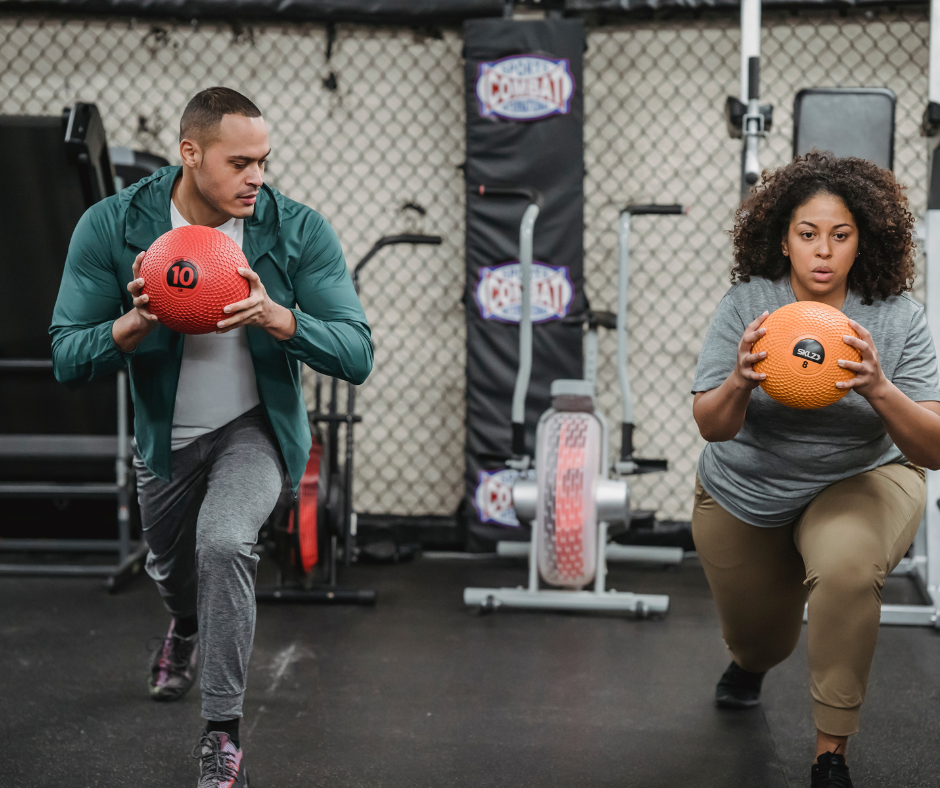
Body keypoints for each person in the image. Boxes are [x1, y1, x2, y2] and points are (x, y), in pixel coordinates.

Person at [50, 87, 373, 787]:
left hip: (255, 432)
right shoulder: (112, 227)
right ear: (190, 154)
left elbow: (357, 352)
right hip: (166, 442)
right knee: (174, 575)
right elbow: (66, 356)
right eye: (240, 162)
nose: (257, 176)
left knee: (225, 542)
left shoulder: (296, 231)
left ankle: (222, 734)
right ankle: (186, 627)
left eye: (264, 160)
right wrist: (124, 332)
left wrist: (279, 319)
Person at [690, 152, 940, 788]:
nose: (823, 252)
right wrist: (740, 382)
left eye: (840, 234)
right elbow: (712, 425)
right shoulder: (749, 305)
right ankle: (750, 664)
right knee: (759, 642)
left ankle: (831, 755)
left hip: (861, 476)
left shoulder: (898, 314)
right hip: (749, 485)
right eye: (808, 235)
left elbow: (934, 448)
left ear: (864, 241)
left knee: (849, 568)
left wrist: (881, 388)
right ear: (783, 240)